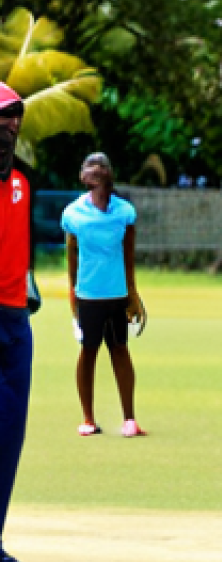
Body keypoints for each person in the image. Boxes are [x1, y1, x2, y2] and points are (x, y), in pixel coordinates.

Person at [61, 153, 146, 438]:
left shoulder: (125, 212)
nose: (94, 175)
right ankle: (88, 419)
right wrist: (72, 293)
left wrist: (133, 292)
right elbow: (71, 254)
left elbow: (129, 255)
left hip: (117, 293)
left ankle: (130, 420)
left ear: (109, 175)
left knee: (120, 349)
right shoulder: (73, 213)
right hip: (88, 294)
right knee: (88, 351)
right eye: (90, 170)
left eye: (100, 170)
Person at [0, 83, 33, 562]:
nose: (9, 126)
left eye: (15, 118)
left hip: (13, 322)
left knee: (7, 436)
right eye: (2, 117)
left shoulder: (23, 180)